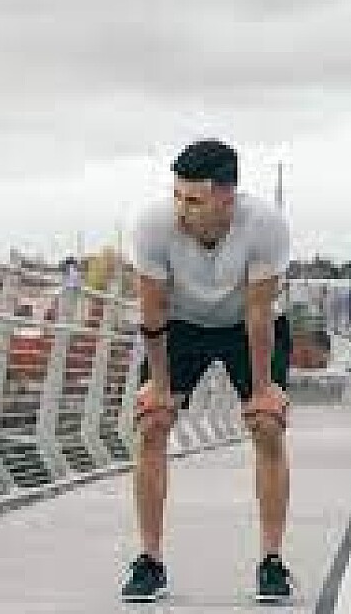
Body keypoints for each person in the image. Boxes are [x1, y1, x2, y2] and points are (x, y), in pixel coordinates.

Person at [119, 138, 294, 603]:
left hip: (246, 325)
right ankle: (150, 561)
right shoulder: (153, 225)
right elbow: (152, 313)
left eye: (193, 200)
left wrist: (263, 390)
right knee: (152, 423)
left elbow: (259, 314)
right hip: (182, 323)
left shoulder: (266, 225)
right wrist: (159, 386)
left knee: (267, 426)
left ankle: (272, 562)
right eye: (176, 195)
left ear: (226, 197)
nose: (181, 209)